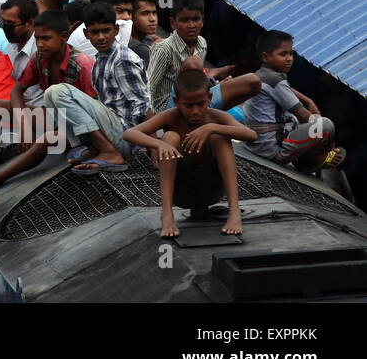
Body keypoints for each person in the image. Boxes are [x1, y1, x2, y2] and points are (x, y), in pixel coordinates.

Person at [124, 68, 257, 238]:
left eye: (200, 104)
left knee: (219, 137)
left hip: (212, 189)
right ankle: (167, 215)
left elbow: (251, 135)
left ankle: (234, 212)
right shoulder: (171, 117)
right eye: (188, 105)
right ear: (177, 102)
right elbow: (129, 133)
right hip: (181, 191)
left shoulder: (216, 118)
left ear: (209, 99)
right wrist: (159, 144)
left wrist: (211, 128)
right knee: (169, 137)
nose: (195, 111)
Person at [243, 30, 342, 171]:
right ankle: (314, 159)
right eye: (283, 54)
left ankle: (308, 157)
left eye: (291, 53)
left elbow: (292, 93)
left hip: (258, 144)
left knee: (298, 121)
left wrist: (309, 102)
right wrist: (325, 140)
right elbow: (303, 115)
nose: (289, 58)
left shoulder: (264, 75)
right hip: (272, 150)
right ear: (265, 57)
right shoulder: (274, 79)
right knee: (326, 125)